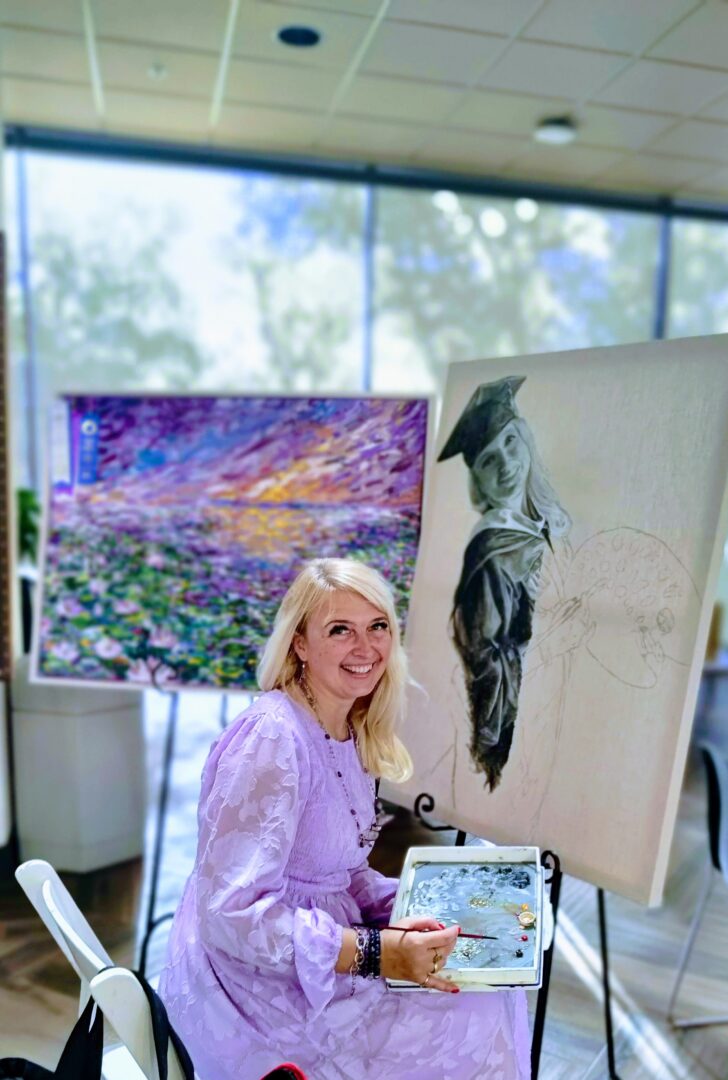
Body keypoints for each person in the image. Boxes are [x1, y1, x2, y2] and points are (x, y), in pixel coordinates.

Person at [160, 558, 531, 1079]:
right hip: (249, 992)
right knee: (472, 1007)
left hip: (316, 953)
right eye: (340, 630)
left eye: (377, 626)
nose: (366, 648)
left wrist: (430, 907)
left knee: (488, 973)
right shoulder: (273, 738)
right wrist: (377, 951)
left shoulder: (349, 726)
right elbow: (232, 915)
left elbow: (338, 871)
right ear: (300, 643)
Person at [438, 376, 571, 791]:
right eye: (488, 460)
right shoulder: (493, 551)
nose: (507, 464)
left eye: (510, 442)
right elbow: (486, 653)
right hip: (523, 709)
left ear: (525, 437)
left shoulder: (542, 519)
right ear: (477, 479)